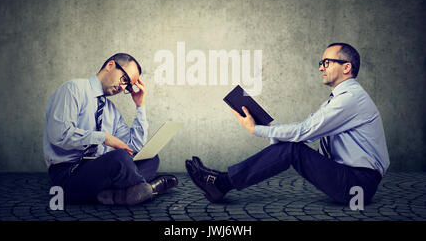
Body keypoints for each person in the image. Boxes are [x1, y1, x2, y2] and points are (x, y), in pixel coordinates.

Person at [186, 43, 390, 205]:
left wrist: (255, 129)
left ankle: (221, 183)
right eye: (321, 62)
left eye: (326, 62)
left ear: (346, 67)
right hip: (350, 179)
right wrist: (266, 126)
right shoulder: (338, 99)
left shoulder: (351, 99)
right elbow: (309, 130)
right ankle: (220, 183)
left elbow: (304, 131)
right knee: (291, 146)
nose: (321, 67)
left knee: (293, 149)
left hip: (358, 186)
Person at [44, 53, 178, 205]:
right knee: (119, 159)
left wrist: (140, 106)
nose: (123, 87)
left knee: (150, 158)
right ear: (110, 65)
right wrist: (104, 138)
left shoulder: (111, 110)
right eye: (125, 79)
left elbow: (134, 147)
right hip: (68, 174)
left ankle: (117, 194)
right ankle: (146, 189)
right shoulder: (73, 89)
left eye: (127, 86)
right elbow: (58, 135)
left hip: (98, 172)